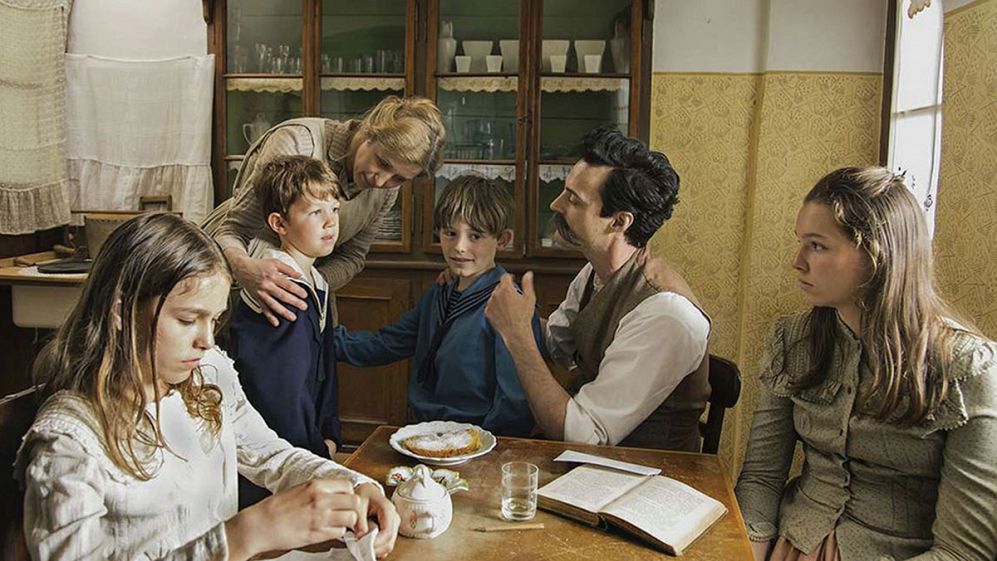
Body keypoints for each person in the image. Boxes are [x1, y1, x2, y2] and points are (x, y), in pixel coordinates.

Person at [15, 213, 399, 561]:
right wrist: (241, 536)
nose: (207, 341)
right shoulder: (70, 440)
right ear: (121, 310)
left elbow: (271, 456)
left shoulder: (207, 373)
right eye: (187, 320)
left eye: (213, 320)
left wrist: (357, 486)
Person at [735, 167, 997, 561]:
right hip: (790, 544)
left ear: (877, 255)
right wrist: (745, 550)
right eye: (801, 242)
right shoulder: (791, 339)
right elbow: (761, 479)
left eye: (817, 246)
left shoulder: (966, 368)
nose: (797, 262)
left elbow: (963, 552)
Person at [485, 127, 711, 451]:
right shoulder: (596, 271)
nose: (556, 205)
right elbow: (557, 344)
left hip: (650, 472)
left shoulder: (668, 315)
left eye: (573, 200)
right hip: (595, 463)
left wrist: (518, 337)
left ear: (619, 222)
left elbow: (586, 436)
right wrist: (487, 291)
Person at [202, 95, 446, 326]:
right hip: (232, 271)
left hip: (303, 287)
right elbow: (232, 229)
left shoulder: (386, 192)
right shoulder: (296, 142)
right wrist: (245, 270)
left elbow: (352, 258)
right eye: (382, 163)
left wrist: (307, 285)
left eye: (399, 178)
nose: (381, 181)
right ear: (369, 132)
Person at [334, 175, 541, 437]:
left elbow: (514, 403)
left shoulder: (510, 307)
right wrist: (318, 337)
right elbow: (385, 343)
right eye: (450, 233)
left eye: (475, 236)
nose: (459, 247)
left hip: (479, 440)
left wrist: (483, 446)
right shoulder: (438, 294)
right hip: (424, 432)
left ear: (502, 240)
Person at [227, 155, 344, 505]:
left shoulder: (316, 281)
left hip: (309, 446)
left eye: (334, 209)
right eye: (315, 212)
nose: (330, 222)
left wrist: (329, 434)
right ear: (279, 223)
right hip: (275, 457)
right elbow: (280, 392)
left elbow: (325, 372)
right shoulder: (279, 287)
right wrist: (311, 451)